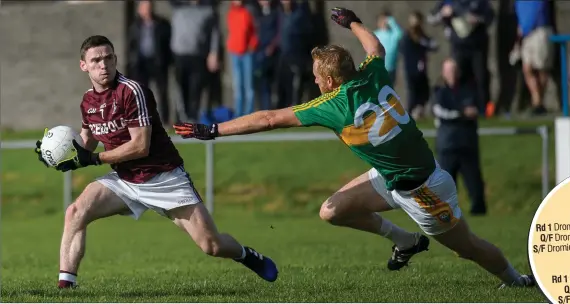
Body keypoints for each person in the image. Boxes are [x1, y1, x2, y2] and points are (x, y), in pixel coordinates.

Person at [173, 8, 535, 288]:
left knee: (466, 247)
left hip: (425, 190)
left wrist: (213, 129)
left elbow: (268, 118)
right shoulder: (372, 73)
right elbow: (375, 47)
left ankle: (517, 281)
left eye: (317, 75)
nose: (314, 79)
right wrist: (355, 23)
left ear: (330, 82)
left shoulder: (333, 104)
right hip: (395, 176)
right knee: (332, 211)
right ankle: (405, 241)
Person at [33, 35, 278, 289]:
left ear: (116, 59)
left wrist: (94, 159)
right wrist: (58, 155)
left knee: (211, 245)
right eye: (95, 60)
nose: (103, 65)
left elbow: (140, 145)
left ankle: (246, 255)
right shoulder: (88, 101)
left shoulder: (132, 91)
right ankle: (66, 286)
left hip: (165, 178)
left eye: (108, 58)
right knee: (75, 212)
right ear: (83, 65)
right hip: (126, 180)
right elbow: (88, 139)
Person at [432, 58, 487, 216]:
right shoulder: (439, 92)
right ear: (443, 72)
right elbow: (441, 112)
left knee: (474, 182)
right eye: (449, 70)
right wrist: (462, 113)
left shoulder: (469, 89)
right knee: (445, 185)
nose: (452, 74)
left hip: (467, 143)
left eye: (454, 70)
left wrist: (464, 113)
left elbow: (477, 109)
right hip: (447, 145)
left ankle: (479, 212)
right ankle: (445, 214)